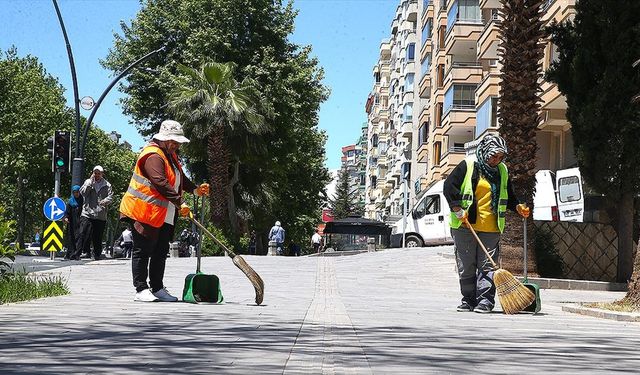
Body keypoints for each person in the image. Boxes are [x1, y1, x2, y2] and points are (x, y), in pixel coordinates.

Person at [120, 119, 210, 302]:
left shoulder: (170, 156)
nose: (177, 145)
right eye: (174, 141)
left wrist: (195, 189)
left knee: (161, 251)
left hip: (163, 213)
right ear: (163, 139)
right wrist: (179, 202)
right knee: (142, 250)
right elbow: (160, 182)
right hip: (143, 211)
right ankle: (141, 289)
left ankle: (158, 288)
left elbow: (179, 178)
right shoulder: (153, 155)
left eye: (178, 142)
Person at [443, 134, 530, 314]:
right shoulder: (468, 165)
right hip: (465, 226)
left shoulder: (502, 170)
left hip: (491, 227)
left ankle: (485, 301)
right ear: (484, 151)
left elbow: (509, 195)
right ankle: (468, 300)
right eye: (493, 156)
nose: (496, 161)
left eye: (500, 157)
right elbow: (449, 187)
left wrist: (518, 207)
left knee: (487, 266)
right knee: (466, 265)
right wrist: (458, 209)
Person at [78, 166, 113, 260]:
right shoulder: (87, 182)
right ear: (93, 173)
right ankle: (86, 252)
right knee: (84, 233)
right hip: (87, 213)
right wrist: (89, 184)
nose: (97, 175)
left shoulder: (107, 185)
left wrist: (105, 201)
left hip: (100, 214)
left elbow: (110, 197)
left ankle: (97, 254)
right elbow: (83, 193)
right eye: (95, 173)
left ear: (102, 174)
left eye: (99, 173)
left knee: (97, 236)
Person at [63, 185, 84, 260]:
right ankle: (70, 253)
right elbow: (67, 212)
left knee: (80, 237)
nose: (76, 194)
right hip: (72, 223)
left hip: (81, 221)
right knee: (71, 238)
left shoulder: (82, 200)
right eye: (74, 192)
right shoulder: (70, 202)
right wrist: (65, 218)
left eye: (77, 192)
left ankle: (77, 254)